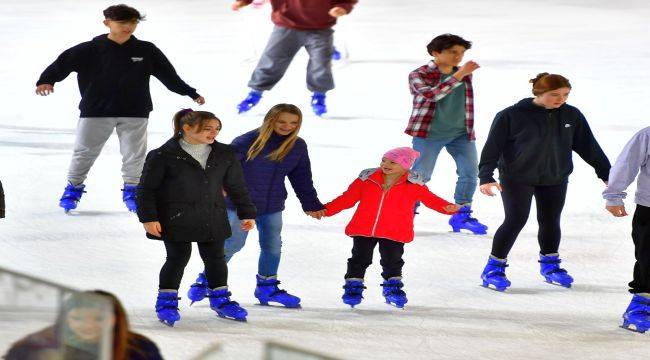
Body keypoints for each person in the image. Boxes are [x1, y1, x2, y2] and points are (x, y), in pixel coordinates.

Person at [35, 4, 204, 213]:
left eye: (132, 23)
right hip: (96, 111)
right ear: (107, 22)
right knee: (84, 152)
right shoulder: (88, 50)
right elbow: (60, 65)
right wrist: (46, 81)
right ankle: (73, 188)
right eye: (122, 22)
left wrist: (190, 92)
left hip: (135, 111)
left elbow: (169, 76)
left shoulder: (146, 50)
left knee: (134, 154)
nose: (128, 27)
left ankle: (132, 190)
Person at [478, 73, 610, 291]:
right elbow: (492, 147)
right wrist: (486, 176)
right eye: (554, 95)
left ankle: (550, 265)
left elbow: (588, 146)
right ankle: (493, 268)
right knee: (515, 219)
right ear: (538, 92)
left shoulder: (571, 115)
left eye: (565, 94)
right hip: (517, 177)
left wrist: (606, 173)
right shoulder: (510, 115)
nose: (561, 99)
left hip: (555, 177)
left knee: (550, 220)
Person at [187, 104, 324, 309]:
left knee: (272, 246)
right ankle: (207, 279)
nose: (287, 126)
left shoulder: (297, 146)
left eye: (293, 122)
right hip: (238, 205)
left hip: (272, 205)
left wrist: (310, 203)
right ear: (270, 120)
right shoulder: (246, 142)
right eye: (282, 121)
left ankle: (267, 287)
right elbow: (220, 166)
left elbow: (302, 177)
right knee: (233, 243)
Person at [136, 109, 256, 324]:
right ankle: (166, 301)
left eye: (217, 129)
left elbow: (236, 186)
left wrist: (246, 212)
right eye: (208, 128)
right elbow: (146, 190)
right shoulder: (162, 155)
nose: (214, 133)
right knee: (177, 258)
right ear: (187, 128)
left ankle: (220, 299)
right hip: (175, 216)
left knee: (216, 258)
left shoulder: (224, 154)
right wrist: (148, 218)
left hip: (212, 214)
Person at [322, 147, 459, 308]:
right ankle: (353, 286)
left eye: (393, 162)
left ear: (405, 166)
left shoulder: (413, 184)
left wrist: (446, 207)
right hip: (364, 228)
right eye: (384, 160)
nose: (386, 164)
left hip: (394, 230)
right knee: (359, 259)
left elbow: (430, 199)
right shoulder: (367, 179)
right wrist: (327, 209)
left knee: (392, 261)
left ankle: (392, 288)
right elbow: (347, 198)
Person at [405, 34, 487, 235]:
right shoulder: (418, 74)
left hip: (461, 133)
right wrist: (459, 75)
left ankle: (461, 215)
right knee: (420, 175)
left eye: (461, 53)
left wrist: (460, 74)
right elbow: (432, 96)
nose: (458, 57)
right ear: (435, 53)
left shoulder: (463, 73)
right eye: (453, 52)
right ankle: (405, 213)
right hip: (429, 133)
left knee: (469, 173)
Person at [232, 0, 357, 116]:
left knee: (321, 64)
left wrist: (343, 7)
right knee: (272, 60)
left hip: (320, 28)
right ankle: (255, 93)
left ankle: (319, 95)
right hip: (286, 24)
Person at [4, 290, 163, 360]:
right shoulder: (32, 348)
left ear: (116, 319)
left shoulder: (141, 350)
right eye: (78, 318)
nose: (88, 325)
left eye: (99, 318)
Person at [602, 127, 650, 333]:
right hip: (649, 208)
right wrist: (613, 195)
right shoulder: (647, 135)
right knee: (648, 258)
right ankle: (641, 305)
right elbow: (626, 164)